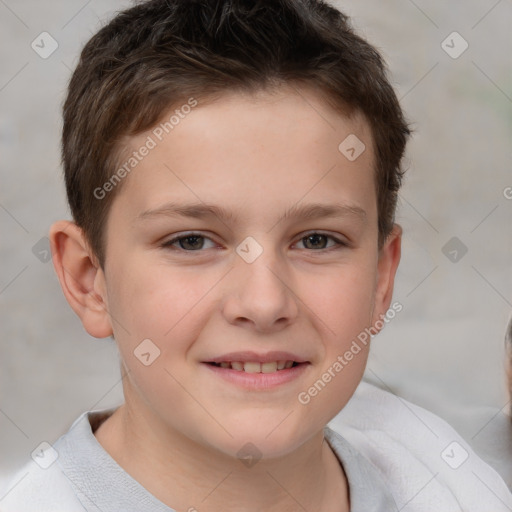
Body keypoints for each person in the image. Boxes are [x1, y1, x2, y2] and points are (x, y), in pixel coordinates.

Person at [1, 0, 510, 510]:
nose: (264, 303)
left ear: (381, 278)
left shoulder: (452, 476)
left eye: (316, 240)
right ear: (90, 280)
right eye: (192, 241)